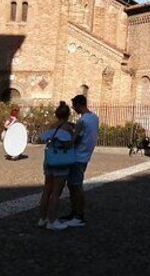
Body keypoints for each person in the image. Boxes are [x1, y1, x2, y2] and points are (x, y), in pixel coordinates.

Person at [59, 94, 99, 228]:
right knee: (73, 185)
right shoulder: (94, 117)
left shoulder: (82, 122)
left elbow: (73, 141)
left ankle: (79, 216)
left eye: (74, 106)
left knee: (76, 187)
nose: (73, 109)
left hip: (77, 157)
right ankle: (74, 212)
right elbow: (85, 133)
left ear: (79, 105)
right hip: (85, 156)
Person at [37, 101, 74, 231]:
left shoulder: (52, 126)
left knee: (47, 190)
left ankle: (42, 219)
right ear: (68, 115)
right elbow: (68, 145)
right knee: (56, 193)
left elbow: (46, 140)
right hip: (60, 162)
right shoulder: (67, 128)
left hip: (49, 160)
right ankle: (52, 221)